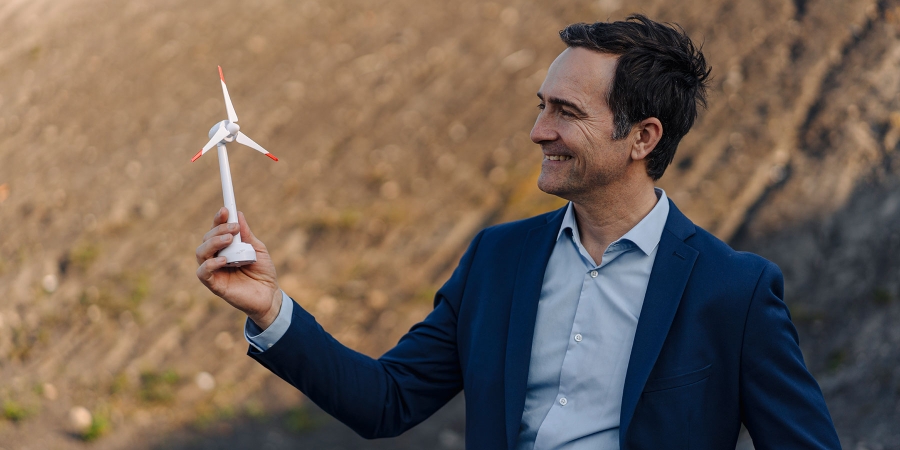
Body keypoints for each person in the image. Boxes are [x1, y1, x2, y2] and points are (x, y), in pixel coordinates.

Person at [196, 14, 841, 450]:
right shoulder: (496, 259)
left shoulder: (735, 291)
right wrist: (272, 310)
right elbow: (385, 402)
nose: (539, 131)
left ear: (642, 137)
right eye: (541, 106)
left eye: (566, 112)